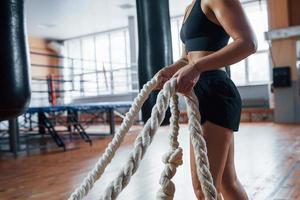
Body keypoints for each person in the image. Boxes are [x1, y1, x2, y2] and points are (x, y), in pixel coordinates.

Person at [155, 0, 257, 199]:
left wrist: (197, 67)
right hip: (198, 89)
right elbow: (188, 58)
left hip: (214, 89)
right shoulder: (189, 8)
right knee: (228, 182)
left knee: (204, 187)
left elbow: (248, 43)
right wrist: (171, 70)